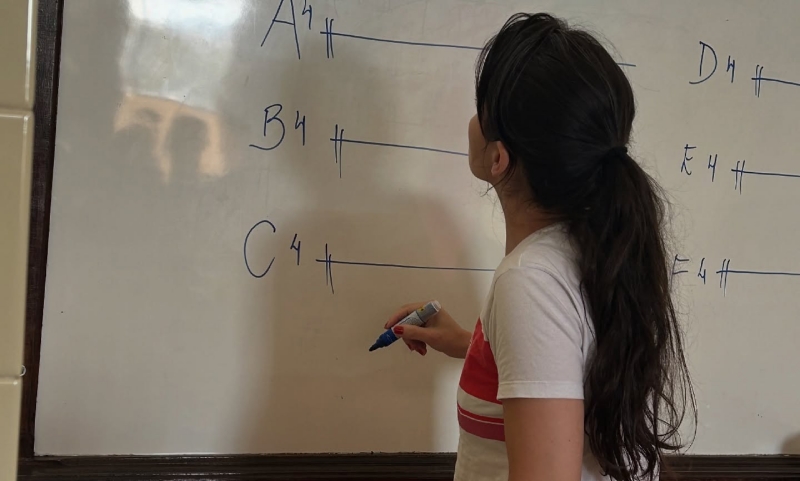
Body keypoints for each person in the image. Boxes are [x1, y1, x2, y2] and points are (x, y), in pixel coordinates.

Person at [384, 13, 695, 481]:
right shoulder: (594, 252)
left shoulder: (531, 281)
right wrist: (474, 347)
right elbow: (568, 365)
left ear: (499, 158)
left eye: (481, 107)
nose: (471, 120)